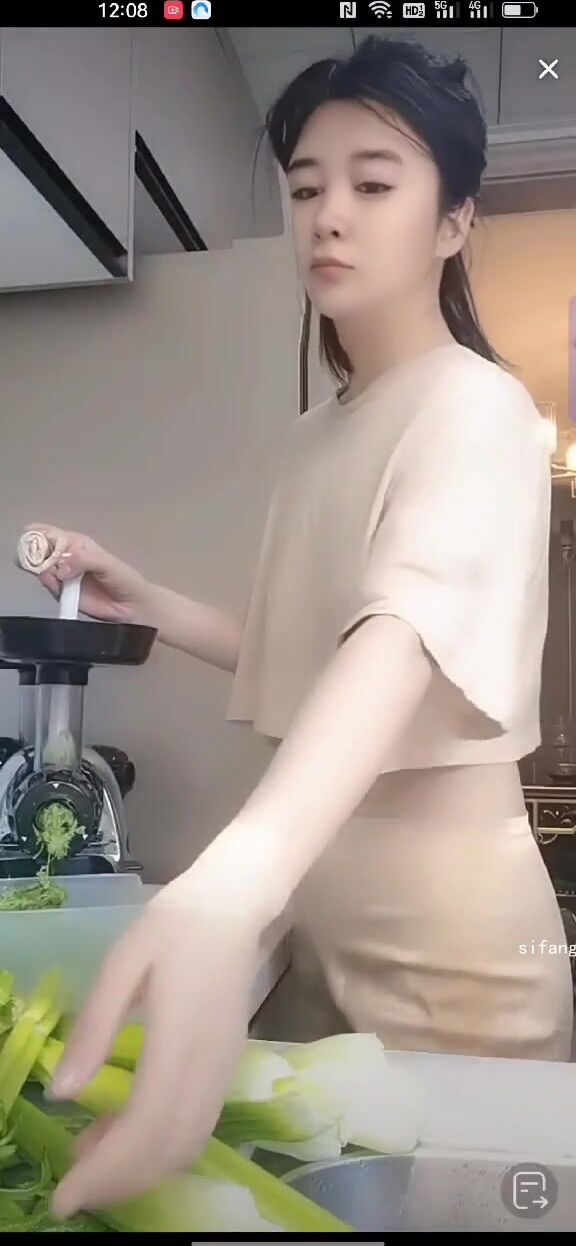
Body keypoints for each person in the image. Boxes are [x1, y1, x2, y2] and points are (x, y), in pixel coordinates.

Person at [17, 35, 573, 1219]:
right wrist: (149, 600)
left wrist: (230, 883)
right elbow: (327, 659)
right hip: (315, 920)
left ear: (454, 222)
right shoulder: (321, 434)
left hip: (452, 954)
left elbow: (401, 640)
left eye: (374, 183)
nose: (331, 214)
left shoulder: (477, 404)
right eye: (309, 185)